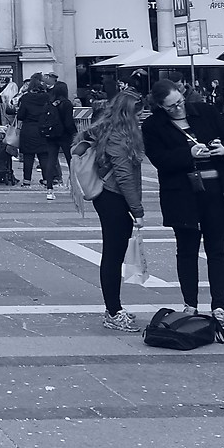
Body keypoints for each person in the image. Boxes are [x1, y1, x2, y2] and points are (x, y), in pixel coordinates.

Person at [141, 76, 224, 331]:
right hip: (183, 194)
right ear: (160, 107)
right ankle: (190, 304)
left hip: (218, 191)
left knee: (218, 250)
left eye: (179, 102)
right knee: (187, 250)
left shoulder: (206, 111)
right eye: (170, 107)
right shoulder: (153, 125)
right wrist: (187, 154)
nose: (178, 108)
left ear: (182, 93)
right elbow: (159, 160)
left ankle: (219, 306)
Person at [86, 86, 148, 331]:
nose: (142, 116)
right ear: (127, 113)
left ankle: (113, 308)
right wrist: (138, 210)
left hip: (110, 197)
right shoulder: (119, 136)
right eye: (138, 112)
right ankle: (113, 311)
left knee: (113, 255)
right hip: (113, 197)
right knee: (112, 256)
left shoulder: (112, 130)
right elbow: (123, 176)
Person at [19, 71, 70, 195]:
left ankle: (27, 180)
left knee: (28, 155)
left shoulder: (25, 98)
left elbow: (21, 115)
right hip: (43, 128)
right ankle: (47, 179)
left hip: (28, 129)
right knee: (44, 156)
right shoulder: (48, 97)